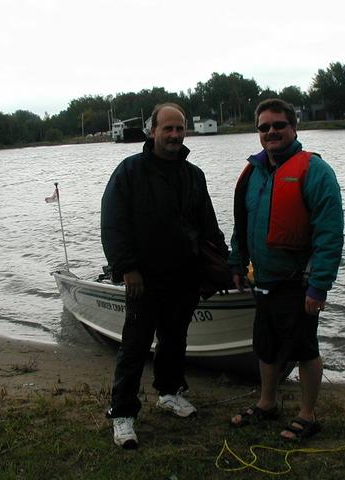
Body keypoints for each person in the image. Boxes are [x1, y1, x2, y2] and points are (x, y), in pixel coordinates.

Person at [101, 103, 227, 449]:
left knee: (175, 340)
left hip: (185, 276)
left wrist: (225, 267)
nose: (174, 135)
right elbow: (113, 224)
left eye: (179, 129)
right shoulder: (129, 171)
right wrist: (127, 267)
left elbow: (209, 228)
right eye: (167, 128)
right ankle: (123, 413)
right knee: (135, 345)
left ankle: (169, 393)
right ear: (151, 131)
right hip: (143, 278)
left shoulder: (194, 175)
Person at [228, 98, 344, 441]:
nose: (271, 131)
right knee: (264, 346)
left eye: (278, 125)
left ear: (294, 127)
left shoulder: (316, 171)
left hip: (299, 280)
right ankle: (268, 403)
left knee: (304, 348)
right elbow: (241, 226)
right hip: (263, 279)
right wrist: (237, 262)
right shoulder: (253, 172)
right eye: (264, 127)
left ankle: (308, 415)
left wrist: (318, 285)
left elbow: (330, 233)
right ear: (258, 133)